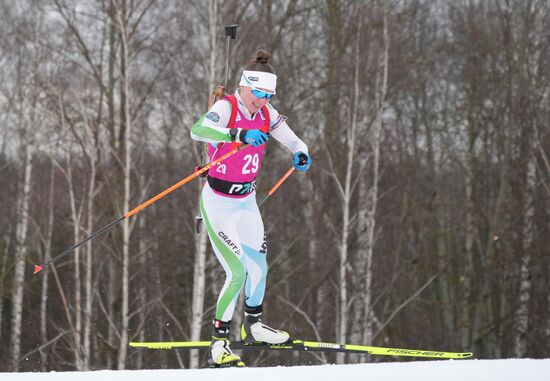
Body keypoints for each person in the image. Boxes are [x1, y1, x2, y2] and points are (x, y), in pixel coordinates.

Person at [190, 50, 311, 367]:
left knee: (260, 267)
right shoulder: (226, 107)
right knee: (237, 272)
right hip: (218, 203)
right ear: (245, 86)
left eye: (269, 94)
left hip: (246, 202)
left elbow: (294, 140)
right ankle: (219, 344)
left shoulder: (267, 114)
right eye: (259, 93)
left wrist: (300, 152)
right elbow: (198, 130)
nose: (263, 99)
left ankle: (254, 326)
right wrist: (237, 132)